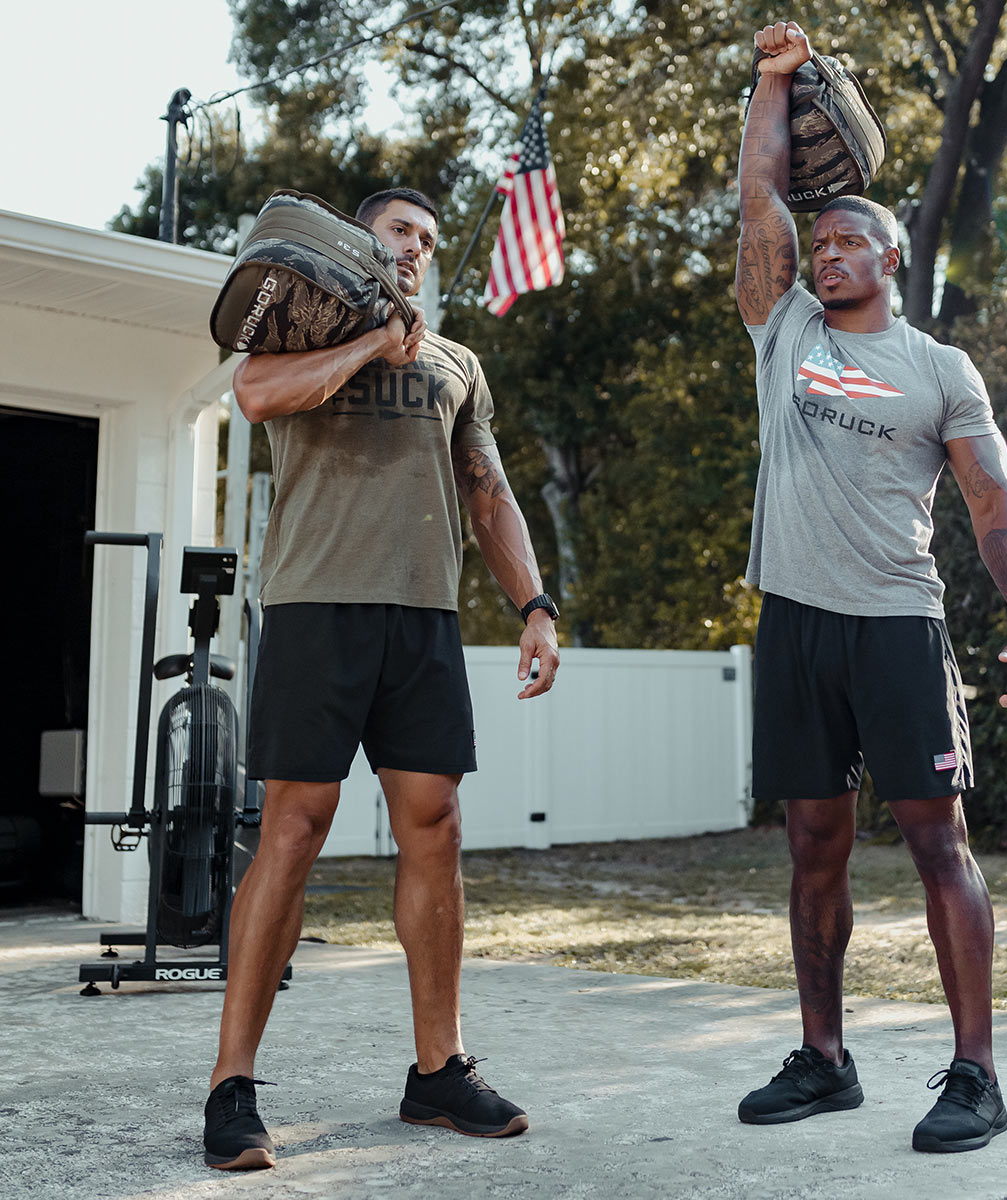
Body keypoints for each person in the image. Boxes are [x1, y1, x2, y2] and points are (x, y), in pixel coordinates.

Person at [735, 22, 1007, 1153]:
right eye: (815, 242)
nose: (823, 250)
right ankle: (824, 1059)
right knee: (812, 845)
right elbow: (762, 190)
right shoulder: (783, 333)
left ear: (890, 261)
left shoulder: (937, 369)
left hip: (899, 628)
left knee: (937, 845)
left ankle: (976, 1073)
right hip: (797, 626)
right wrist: (774, 81)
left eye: (846, 238)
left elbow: (992, 501)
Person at [202, 186, 561, 1170]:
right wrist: (371, 344)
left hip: (422, 623)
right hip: (317, 613)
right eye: (402, 232)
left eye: (429, 241)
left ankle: (437, 1073)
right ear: (363, 243)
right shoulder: (298, 331)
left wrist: (536, 604)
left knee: (435, 830)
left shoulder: (457, 365)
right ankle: (233, 1085)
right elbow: (256, 396)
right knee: (293, 831)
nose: (417, 249)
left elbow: (488, 493)